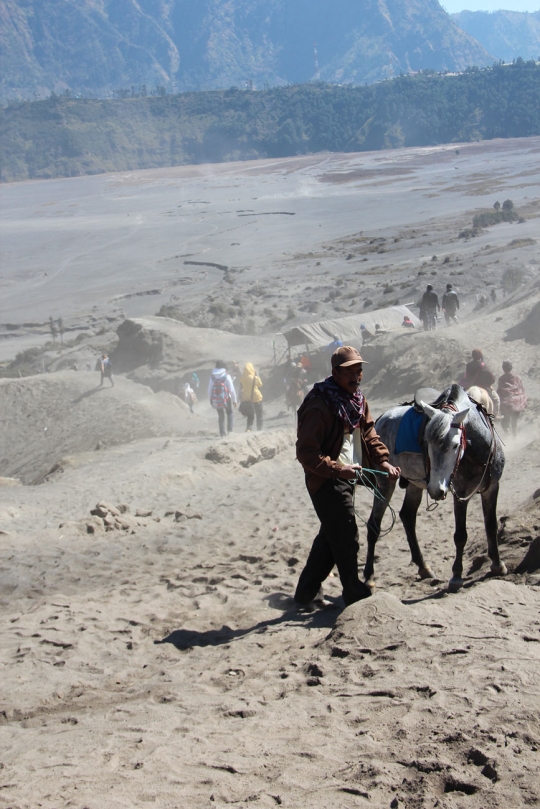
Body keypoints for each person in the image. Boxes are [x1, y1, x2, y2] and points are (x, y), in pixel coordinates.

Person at [294, 346, 401, 608]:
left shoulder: (357, 401)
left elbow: (369, 433)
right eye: (349, 372)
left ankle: (306, 594)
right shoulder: (320, 406)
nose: (356, 377)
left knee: (331, 535)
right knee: (345, 534)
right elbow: (306, 453)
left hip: (348, 474)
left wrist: (383, 461)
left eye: (359, 371)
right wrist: (337, 469)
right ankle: (353, 590)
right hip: (324, 479)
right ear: (334, 373)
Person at [462, 349, 499, 415]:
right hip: (483, 387)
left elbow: (467, 377)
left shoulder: (468, 365)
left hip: (470, 387)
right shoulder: (483, 365)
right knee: (496, 399)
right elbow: (492, 379)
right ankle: (496, 415)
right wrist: (488, 385)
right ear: (480, 356)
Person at [497, 361, 527, 437]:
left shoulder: (502, 379)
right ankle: (515, 437)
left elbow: (500, 391)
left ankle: (508, 434)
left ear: (503, 368)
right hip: (517, 403)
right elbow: (522, 390)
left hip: (507, 405)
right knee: (515, 422)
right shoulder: (518, 377)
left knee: (504, 422)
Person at [208, 360, 237, 437]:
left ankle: (222, 433)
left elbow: (209, 390)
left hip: (217, 400)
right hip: (227, 399)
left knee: (221, 416)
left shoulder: (212, 377)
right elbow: (231, 390)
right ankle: (230, 431)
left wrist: (211, 400)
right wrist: (235, 400)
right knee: (229, 412)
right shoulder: (227, 376)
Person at [239, 363, 263, 431]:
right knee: (259, 414)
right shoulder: (254, 378)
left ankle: (248, 429)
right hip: (257, 397)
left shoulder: (242, 378)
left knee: (250, 415)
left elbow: (241, 385)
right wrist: (257, 375)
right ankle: (259, 429)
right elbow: (260, 384)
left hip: (247, 398)